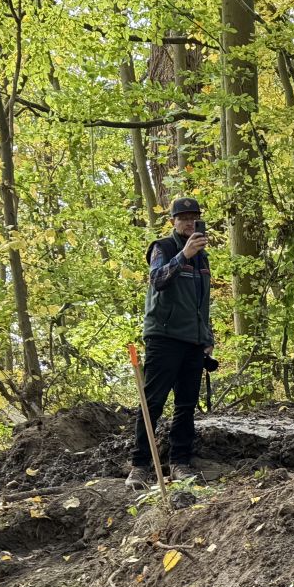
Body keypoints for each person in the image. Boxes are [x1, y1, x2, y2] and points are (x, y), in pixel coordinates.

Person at [127, 197, 215, 489]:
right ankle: (139, 466)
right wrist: (183, 255)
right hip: (164, 337)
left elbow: (202, 303)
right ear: (173, 222)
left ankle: (180, 463)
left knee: (187, 404)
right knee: (152, 403)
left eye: (194, 218)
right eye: (184, 218)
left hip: (193, 340)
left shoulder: (203, 259)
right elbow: (157, 280)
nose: (190, 223)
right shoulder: (162, 248)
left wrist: (207, 338)